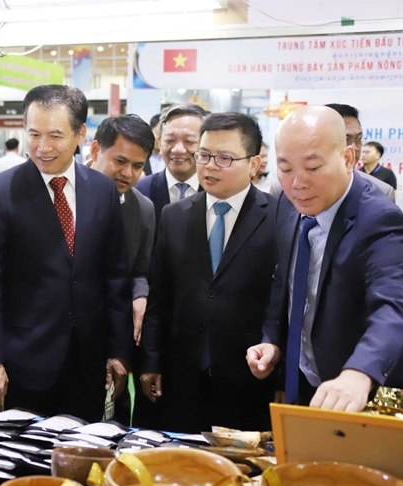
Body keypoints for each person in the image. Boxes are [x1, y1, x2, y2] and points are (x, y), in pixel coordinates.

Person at [247, 106, 403, 413]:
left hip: (379, 393)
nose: (298, 183)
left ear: (348, 159)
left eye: (312, 167)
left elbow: (392, 306)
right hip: (313, 386)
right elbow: (286, 278)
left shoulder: (380, 219)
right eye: (285, 168)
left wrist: (359, 373)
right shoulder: (287, 202)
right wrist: (273, 340)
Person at [0, 85, 132, 422]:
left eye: (55, 135)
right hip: (23, 361)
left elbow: (115, 275)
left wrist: (119, 351)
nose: (42, 147)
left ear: (80, 134)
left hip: (88, 359)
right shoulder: (0, 193)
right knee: (24, 462)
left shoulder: (101, 190)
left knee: (81, 457)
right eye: (34, 134)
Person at [139, 113, 277, 432]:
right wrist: (151, 361)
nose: (210, 166)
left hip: (248, 380)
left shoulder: (278, 218)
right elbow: (159, 298)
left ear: (254, 164)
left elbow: (280, 304)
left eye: (225, 158)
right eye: (203, 155)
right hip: (181, 377)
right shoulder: (173, 216)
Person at [88, 114, 155, 424]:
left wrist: (140, 294)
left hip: (113, 341)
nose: (127, 173)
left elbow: (139, 269)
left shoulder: (143, 209)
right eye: (120, 161)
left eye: (138, 166)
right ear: (95, 150)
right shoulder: (63, 195)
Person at [135, 104, 207, 229]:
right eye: (170, 140)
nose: (178, 149)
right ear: (159, 142)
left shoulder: (217, 192)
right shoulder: (139, 192)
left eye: (189, 141)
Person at [324, 103, 395, 202]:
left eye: (358, 139)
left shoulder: (381, 192)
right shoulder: (297, 186)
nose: (355, 148)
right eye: (345, 139)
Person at [143, 113, 164, 177]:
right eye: (158, 133)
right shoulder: (142, 154)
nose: (160, 138)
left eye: (164, 134)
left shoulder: (172, 157)